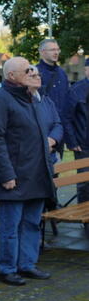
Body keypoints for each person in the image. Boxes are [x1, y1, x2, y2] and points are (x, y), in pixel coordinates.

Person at [0, 58, 61, 286]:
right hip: (15, 176)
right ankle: (7, 269)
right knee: (11, 227)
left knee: (31, 223)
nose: (32, 72)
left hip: (37, 174)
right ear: (11, 76)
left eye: (32, 69)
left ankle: (27, 264)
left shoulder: (32, 98)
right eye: (27, 70)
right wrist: (6, 174)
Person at [63, 59, 89, 204]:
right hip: (83, 144)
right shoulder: (76, 90)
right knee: (85, 182)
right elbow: (66, 118)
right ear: (86, 70)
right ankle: (85, 219)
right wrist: (72, 141)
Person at [36, 39, 69, 136]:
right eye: (52, 50)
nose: (56, 53)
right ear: (42, 52)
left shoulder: (62, 73)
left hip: (60, 125)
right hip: (42, 124)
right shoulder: (34, 73)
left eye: (57, 50)